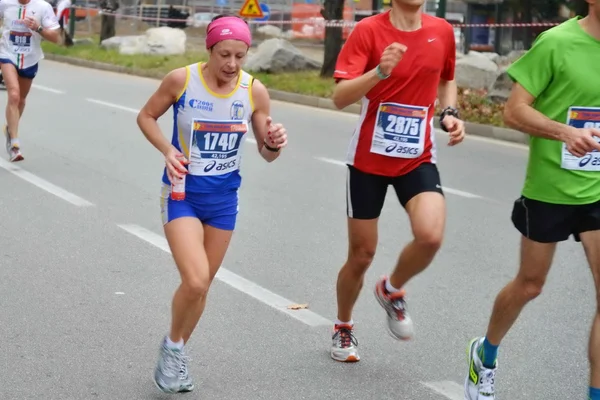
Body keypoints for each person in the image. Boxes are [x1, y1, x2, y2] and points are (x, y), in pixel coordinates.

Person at [136, 14, 288, 394]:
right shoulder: (181, 80)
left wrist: (274, 141)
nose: (231, 64)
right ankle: (173, 346)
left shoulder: (254, 91)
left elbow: (267, 152)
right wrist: (168, 149)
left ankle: (175, 351)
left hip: (224, 200)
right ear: (209, 49)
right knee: (196, 278)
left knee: (202, 288)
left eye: (240, 55)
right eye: (224, 54)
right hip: (182, 194)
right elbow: (146, 116)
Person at [463, 3, 600, 399]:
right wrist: (563, 132)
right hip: (551, 188)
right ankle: (485, 354)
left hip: (597, 189)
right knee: (530, 284)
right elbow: (513, 111)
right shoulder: (557, 43)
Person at [329, 0, 465, 363]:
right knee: (361, 255)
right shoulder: (368, 31)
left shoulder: (441, 31)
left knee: (431, 235)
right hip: (368, 161)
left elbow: (447, 79)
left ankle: (390, 290)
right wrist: (379, 72)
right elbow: (339, 97)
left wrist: (449, 113)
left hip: (416, 158)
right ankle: (343, 326)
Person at [0, 0, 60, 162]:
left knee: (21, 99)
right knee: (13, 94)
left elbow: (55, 37)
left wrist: (38, 27)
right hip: (7, 55)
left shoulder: (43, 7)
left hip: (30, 59)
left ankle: (10, 129)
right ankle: (14, 145)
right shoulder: (5, 3)